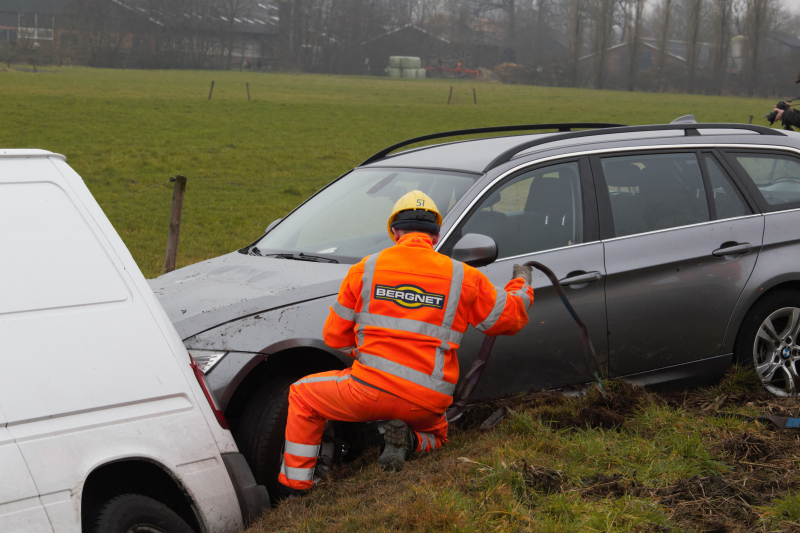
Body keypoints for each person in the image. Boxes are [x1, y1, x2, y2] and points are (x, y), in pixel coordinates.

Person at [277, 190, 534, 495]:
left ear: (394, 232)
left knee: (303, 396)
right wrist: (522, 285)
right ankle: (412, 441)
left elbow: (334, 335)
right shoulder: (462, 276)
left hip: (366, 392)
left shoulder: (365, 269)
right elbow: (509, 319)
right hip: (426, 400)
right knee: (439, 436)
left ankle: (297, 489)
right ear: (436, 236)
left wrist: (363, 351)